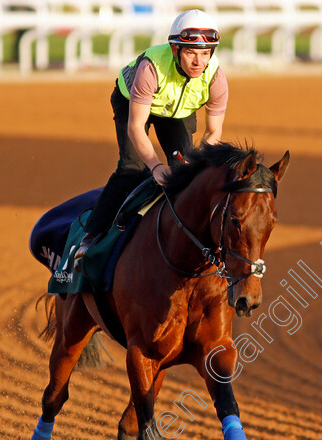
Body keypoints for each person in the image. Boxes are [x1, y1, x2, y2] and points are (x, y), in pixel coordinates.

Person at [75, 9, 229, 257]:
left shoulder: (216, 78)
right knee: (132, 168)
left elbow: (214, 132)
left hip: (176, 112)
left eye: (205, 54)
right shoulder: (151, 68)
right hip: (132, 102)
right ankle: (91, 236)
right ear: (175, 50)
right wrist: (156, 166)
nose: (198, 62)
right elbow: (136, 127)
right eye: (190, 53)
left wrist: (194, 162)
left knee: (184, 173)